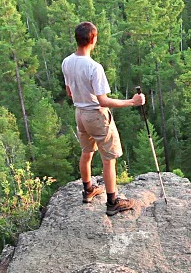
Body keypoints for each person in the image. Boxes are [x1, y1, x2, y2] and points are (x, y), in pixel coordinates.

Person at [62, 21, 145, 216]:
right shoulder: (94, 67)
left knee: (87, 152)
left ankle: (88, 189)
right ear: (93, 40)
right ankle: (112, 202)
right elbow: (103, 101)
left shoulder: (67, 62)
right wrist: (132, 102)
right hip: (96, 116)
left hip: (80, 114)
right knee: (109, 159)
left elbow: (69, 92)